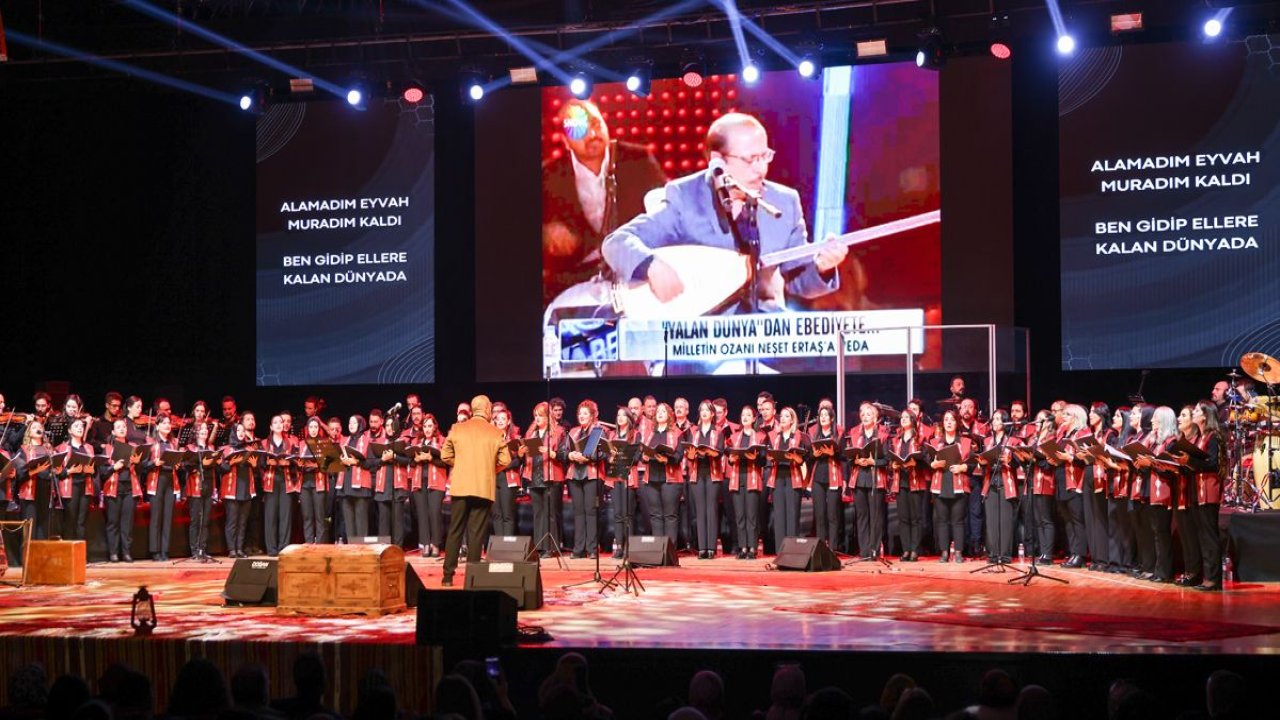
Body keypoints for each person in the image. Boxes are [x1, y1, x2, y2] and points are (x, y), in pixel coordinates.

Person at [602, 112, 848, 314]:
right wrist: (651, 266)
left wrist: (823, 267)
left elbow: (800, 282)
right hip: (700, 336)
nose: (761, 169)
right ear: (717, 160)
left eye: (765, 156)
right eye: (750, 159)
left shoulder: (784, 202)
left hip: (763, 333)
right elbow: (616, 243)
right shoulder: (685, 197)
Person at [542, 97, 667, 304]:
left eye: (596, 124)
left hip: (633, 269)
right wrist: (545, 234)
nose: (592, 135)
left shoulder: (638, 160)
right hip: (574, 280)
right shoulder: (549, 176)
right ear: (565, 140)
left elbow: (666, 212)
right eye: (579, 130)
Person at [439, 395, 512, 587]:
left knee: (455, 531)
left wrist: (462, 465)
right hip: (482, 487)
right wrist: (487, 469)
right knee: (476, 533)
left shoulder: (457, 428)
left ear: (472, 410)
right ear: (488, 410)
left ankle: (447, 576)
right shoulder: (495, 433)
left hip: (461, 485)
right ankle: (472, 578)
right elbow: (505, 461)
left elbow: (445, 454)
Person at [975, 409, 1020, 563]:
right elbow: (982, 462)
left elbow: (1018, 462)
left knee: (1006, 521)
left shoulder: (1013, 441)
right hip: (991, 481)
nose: (994, 422)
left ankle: (1005, 554)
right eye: (993, 419)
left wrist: (1008, 460)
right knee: (991, 520)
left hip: (1006, 481)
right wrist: (982, 462)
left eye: (998, 419)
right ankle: (993, 553)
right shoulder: (987, 441)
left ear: (1005, 422)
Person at [847, 402, 890, 559]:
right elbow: (849, 457)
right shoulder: (854, 434)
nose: (865, 417)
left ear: (875, 417)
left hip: (875, 480)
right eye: (863, 414)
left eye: (869, 414)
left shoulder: (883, 435)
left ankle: (874, 550)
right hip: (859, 479)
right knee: (862, 516)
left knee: (875, 516)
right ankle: (864, 550)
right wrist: (855, 461)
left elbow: (887, 460)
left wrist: (874, 462)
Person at [929, 409, 973, 562]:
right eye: (946, 419)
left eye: (952, 420)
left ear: (957, 423)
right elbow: (927, 462)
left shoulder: (966, 442)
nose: (948, 422)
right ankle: (944, 552)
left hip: (958, 484)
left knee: (958, 520)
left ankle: (959, 552)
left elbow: (973, 463)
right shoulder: (935, 443)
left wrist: (963, 467)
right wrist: (933, 464)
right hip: (940, 483)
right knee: (942, 520)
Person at [565, 400, 607, 559]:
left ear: (592, 416)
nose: (581, 416)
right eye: (580, 413)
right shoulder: (574, 431)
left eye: (585, 414)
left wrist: (587, 458)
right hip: (575, 474)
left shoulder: (598, 431)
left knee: (591, 512)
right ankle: (578, 548)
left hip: (592, 474)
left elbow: (604, 454)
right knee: (578, 513)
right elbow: (563, 451)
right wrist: (570, 455)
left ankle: (592, 548)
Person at [686, 400, 727, 559]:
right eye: (701, 410)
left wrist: (711, 453)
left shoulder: (718, 432)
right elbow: (689, 452)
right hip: (697, 473)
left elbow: (721, 451)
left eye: (707, 410)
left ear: (712, 414)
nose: (704, 412)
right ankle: (702, 548)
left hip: (713, 473)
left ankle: (711, 548)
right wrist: (690, 455)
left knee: (711, 510)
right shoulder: (693, 432)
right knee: (700, 510)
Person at [726, 405, 767, 559]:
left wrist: (754, 458)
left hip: (752, 477)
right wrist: (731, 459)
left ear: (754, 418)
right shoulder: (735, 437)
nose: (745, 417)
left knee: (751, 516)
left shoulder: (760, 436)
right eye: (743, 415)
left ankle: (752, 548)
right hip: (737, 477)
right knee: (740, 516)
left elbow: (763, 460)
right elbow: (730, 457)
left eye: (748, 415)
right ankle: (743, 547)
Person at [641, 403, 684, 545]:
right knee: (655, 515)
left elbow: (678, 456)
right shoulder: (649, 433)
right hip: (651, 478)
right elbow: (641, 452)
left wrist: (666, 459)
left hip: (670, 479)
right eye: (658, 411)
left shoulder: (677, 432)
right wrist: (645, 457)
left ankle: (670, 552)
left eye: (663, 411)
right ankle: (658, 551)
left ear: (669, 415)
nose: (659, 413)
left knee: (670, 515)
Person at [99, 419, 142, 562]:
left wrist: (137, 463)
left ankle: (126, 552)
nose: (122, 429)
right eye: (118, 427)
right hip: (113, 488)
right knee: (113, 522)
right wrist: (113, 467)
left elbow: (142, 470)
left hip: (130, 488)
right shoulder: (108, 448)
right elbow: (102, 471)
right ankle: (113, 552)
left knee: (127, 523)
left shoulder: (133, 447)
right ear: (113, 431)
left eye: (124, 426)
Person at [770, 407, 811, 549]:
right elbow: (768, 456)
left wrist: (797, 458)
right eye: (781, 416)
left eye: (786, 416)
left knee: (792, 515)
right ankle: (780, 550)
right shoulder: (774, 436)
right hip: (778, 477)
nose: (782, 419)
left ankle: (792, 550)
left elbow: (806, 458)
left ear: (792, 420)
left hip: (793, 477)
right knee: (779, 515)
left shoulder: (800, 436)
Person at [141, 415, 181, 561]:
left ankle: (165, 550)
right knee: (156, 517)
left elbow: (179, 463)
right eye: (163, 423)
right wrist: (154, 463)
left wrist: (178, 464)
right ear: (157, 426)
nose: (167, 425)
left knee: (168, 517)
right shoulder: (150, 442)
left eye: (169, 423)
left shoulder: (174, 442)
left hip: (170, 480)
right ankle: (155, 550)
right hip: (156, 481)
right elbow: (143, 465)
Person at [891, 410, 929, 561]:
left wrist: (916, 463)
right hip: (901, 482)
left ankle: (915, 549)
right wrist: (893, 465)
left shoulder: (920, 439)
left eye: (907, 417)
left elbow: (926, 460)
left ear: (913, 420)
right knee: (903, 517)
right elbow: (891, 459)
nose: (904, 419)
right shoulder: (896, 440)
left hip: (915, 481)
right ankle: (906, 549)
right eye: (902, 418)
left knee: (916, 518)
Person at [807, 399, 844, 552]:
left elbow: (843, 456)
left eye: (825, 415)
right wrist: (814, 454)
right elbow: (808, 457)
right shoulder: (813, 433)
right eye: (821, 415)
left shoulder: (839, 433)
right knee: (820, 515)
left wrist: (833, 453)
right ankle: (821, 549)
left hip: (833, 475)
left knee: (832, 515)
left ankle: (833, 548)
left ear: (831, 418)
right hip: (817, 477)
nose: (822, 418)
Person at [605, 406, 641, 558]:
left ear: (629, 419)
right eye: (618, 415)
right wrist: (611, 456)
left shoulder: (635, 435)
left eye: (624, 416)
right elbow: (608, 458)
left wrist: (623, 454)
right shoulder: (612, 435)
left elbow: (637, 456)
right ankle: (619, 546)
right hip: (615, 476)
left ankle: (629, 547)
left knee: (628, 514)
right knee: (618, 514)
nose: (620, 418)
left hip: (628, 475)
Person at [260, 414, 298, 556]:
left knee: (285, 516)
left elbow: (297, 463)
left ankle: (284, 548)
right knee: (270, 516)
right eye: (275, 422)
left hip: (286, 481)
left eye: (280, 422)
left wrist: (288, 463)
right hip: (270, 481)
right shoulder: (264, 443)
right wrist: (267, 462)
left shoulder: (291, 442)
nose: (278, 424)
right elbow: (259, 463)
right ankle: (271, 549)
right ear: (271, 426)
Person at [53, 417, 96, 541]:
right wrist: (69, 471)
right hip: (70, 486)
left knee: (81, 521)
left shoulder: (88, 447)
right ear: (70, 430)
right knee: (70, 520)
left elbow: (94, 468)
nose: (80, 428)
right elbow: (57, 471)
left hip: (85, 485)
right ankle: (69, 553)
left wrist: (92, 470)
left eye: (81, 426)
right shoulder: (61, 448)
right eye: (76, 426)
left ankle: (81, 553)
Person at [220, 423, 258, 558]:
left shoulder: (249, 448)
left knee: (242, 522)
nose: (241, 433)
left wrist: (254, 465)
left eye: (243, 430)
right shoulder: (226, 449)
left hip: (246, 489)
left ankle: (239, 549)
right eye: (239, 430)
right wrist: (230, 463)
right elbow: (221, 469)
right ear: (234, 432)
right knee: (232, 521)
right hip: (232, 490)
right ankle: (231, 549)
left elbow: (257, 468)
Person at [185, 421, 220, 558]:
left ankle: (202, 549)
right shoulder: (190, 448)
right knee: (196, 520)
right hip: (195, 487)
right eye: (202, 428)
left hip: (208, 485)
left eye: (206, 428)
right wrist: (201, 463)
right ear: (195, 432)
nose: (205, 431)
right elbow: (185, 465)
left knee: (205, 520)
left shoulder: (211, 447)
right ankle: (194, 550)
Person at [296, 417, 330, 544]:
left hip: (319, 483)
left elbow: (332, 466)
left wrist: (317, 465)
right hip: (304, 483)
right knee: (307, 516)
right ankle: (309, 544)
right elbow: (296, 462)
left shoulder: (325, 443)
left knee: (320, 517)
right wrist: (299, 464)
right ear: (307, 429)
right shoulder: (301, 444)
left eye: (316, 427)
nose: (313, 429)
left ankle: (320, 545)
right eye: (311, 427)